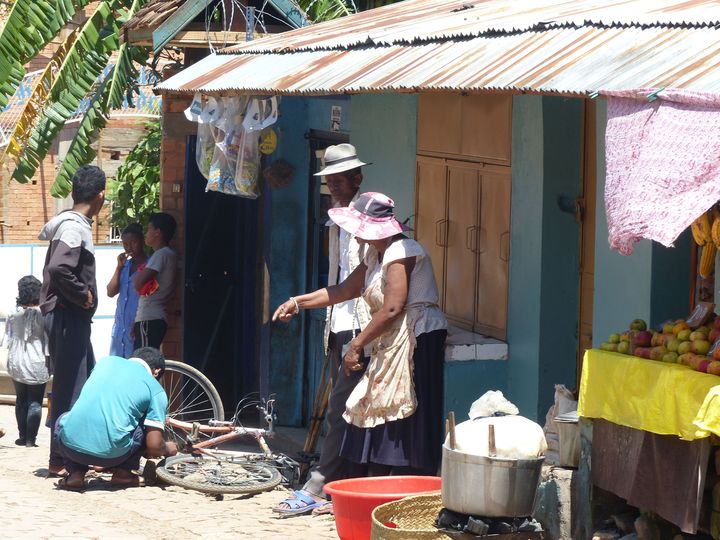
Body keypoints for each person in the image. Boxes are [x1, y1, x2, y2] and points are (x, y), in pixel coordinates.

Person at [274, 192, 447, 478]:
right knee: (377, 409)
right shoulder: (374, 255)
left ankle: (404, 484)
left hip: (417, 339)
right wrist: (297, 302)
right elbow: (343, 290)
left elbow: (392, 307)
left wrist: (356, 345)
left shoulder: (402, 251)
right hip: (390, 341)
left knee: (403, 411)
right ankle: (373, 481)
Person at [273, 143, 371, 516]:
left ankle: (321, 483)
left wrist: (299, 302)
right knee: (344, 410)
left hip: (359, 329)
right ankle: (340, 486)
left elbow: (352, 287)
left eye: (337, 181)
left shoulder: (367, 222)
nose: (332, 187)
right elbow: (338, 282)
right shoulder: (336, 222)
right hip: (339, 326)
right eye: (328, 181)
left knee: (343, 411)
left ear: (356, 179)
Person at [39, 164, 105, 477]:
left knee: (74, 384)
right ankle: (66, 460)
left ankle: (63, 456)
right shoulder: (74, 228)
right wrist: (84, 296)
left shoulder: (72, 224)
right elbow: (59, 269)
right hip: (67, 315)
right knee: (71, 388)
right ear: (101, 196)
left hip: (66, 316)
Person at [54, 347, 178, 491]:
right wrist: (170, 449)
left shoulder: (105, 363)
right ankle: (123, 475)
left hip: (70, 448)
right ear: (156, 371)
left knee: (65, 419)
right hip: (113, 455)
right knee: (142, 427)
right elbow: (155, 447)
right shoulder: (155, 389)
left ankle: (75, 474)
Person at [2, 275, 49, 447]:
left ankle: (22, 436)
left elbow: (7, 338)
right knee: (35, 402)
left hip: (16, 361)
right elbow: (49, 340)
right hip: (37, 362)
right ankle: (31, 440)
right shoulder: (45, 313)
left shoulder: (13, 313)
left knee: (21, 400)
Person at [133, 213, 177, 349]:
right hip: (152, 317)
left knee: (145, 363)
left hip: (150, 316)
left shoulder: (161, 254)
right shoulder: (168, 254)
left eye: (148, 229)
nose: (146, 234)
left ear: (158, 232)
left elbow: (137, 283)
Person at [107, 223, 147, 358]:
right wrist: (118, 267)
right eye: (125, 244)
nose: (129, 247)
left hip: (136, 329)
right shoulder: (124, 266)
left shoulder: (150, 266)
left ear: (142, 241)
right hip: (120, 331)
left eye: (133, 242)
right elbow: (110, 292)